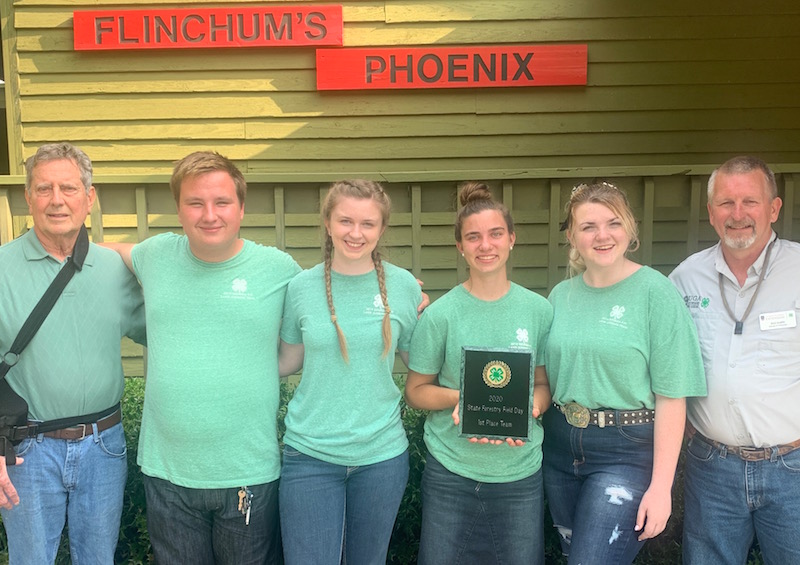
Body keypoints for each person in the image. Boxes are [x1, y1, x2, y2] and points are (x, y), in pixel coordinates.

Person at [107, 151, 301, 564]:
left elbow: (333, 299)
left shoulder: (278, 268)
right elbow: (90, 254)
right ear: (178, 208)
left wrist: (403, 291)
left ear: (242, 207)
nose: (209, 214)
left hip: (248, 471)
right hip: (167, 472)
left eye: (222, 202)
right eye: (195, 202)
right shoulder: (155, 255)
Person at [542, 181, 706, 565]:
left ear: (630, 229)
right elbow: (540, 377)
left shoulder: (655, 292)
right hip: (561, 447)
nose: (602, 236)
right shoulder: (559, 297)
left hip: (627, 449)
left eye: (613, 223)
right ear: (571, 235)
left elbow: (672, 395)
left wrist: (661, 487)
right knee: (573, 554)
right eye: (588, 226)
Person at [0, 143, 145, 564]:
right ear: (28, 197)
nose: (57, 200)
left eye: (68, 187)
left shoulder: (116, 270)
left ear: (89, 196)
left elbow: (166, 333)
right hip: (26, 450)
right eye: (44, 189)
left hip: (105, 446)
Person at [404, 181, 553, 564]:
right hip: (451, 472)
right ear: (460, 247)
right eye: (473, 237)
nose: (485, 245)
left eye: (495, 234)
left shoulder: (539, 311)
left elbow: (541, 385)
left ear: (512, 239)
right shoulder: (441, 315)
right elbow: (417, 390)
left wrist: (527, 411)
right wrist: (466, 400)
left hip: (519, 474)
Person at [276, 179, 421, 564]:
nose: (355, 233)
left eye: (368, 224)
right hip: (310, 455)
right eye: (345, 221)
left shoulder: (404, 286)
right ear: (327, 222)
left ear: (382, 229)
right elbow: (286, 362)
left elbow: (421, 365)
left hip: (381, 457)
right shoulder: (301, 288)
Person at [670, 156, 800, 565]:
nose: (738, 214)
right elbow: (666, 364)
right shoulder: (685, 280)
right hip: (713, 467)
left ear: (774, 208)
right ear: (711, 213)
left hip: (793, 467)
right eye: (726, 203)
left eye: (750, 201)